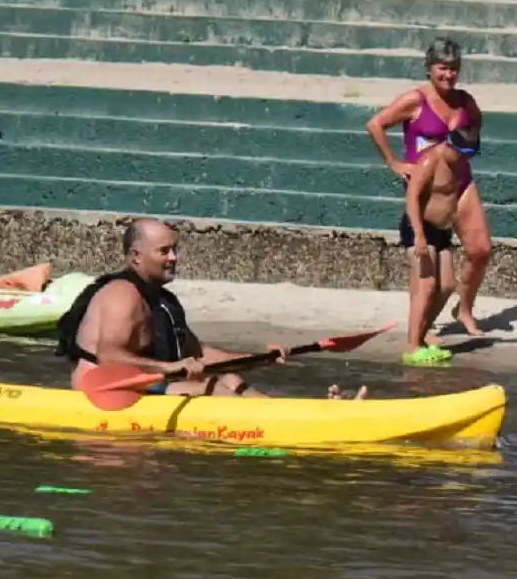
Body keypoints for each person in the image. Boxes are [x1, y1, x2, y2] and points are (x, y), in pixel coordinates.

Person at [55, 218, 366, 400]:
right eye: (164, 251)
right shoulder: (122, 294)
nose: (174, 258)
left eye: (175, 249)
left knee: (232, 380)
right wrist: (170, 368)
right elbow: (110, 357)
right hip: (106, 394)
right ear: (136, 256)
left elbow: (201, 354)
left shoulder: (164, 300)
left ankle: (306, 414)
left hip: (147, 386)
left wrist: (261, 358)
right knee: (213, 387)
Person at [366, 37, 493, 339]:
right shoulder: (415, 100)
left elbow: (476, 126)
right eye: (442, 68)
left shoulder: (465, 101)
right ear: (429, 68)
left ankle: (464, 309)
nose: (448, 74)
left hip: (461, 183)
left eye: (454, 68)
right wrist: (395, 162)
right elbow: (375, 124)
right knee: (425, 271)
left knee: (481, 250)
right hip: (427, 188)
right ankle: (419, 331)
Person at [402, 126, 481, 366]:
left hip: (442, 232)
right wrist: (418, 235)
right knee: (426, 286)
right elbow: (412, 198)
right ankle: (412, 347)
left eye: (469, 155)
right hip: (420, 229)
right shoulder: (430, 161)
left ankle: (421, 335)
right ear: (450, 145)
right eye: (462, 154)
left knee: (446, 286)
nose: (465, 160)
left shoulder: (459, 164)